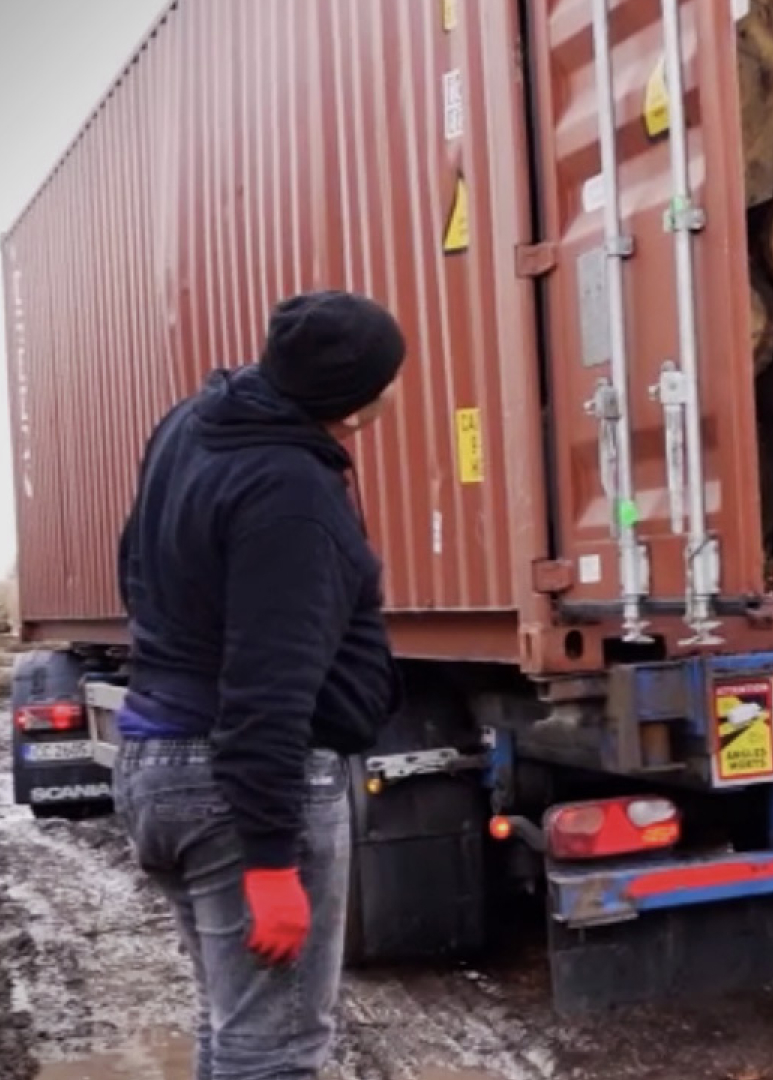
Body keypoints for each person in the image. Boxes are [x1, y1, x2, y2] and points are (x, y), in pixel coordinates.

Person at [112, 290, 407, 1080]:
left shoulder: (192, 424)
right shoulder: (292, 495)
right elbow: (266, 689)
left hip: (157, 758)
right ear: (360, 398)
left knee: (233, 1029)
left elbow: (132, 560)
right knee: (273, 1055)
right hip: (237, 788)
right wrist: (272, 861)